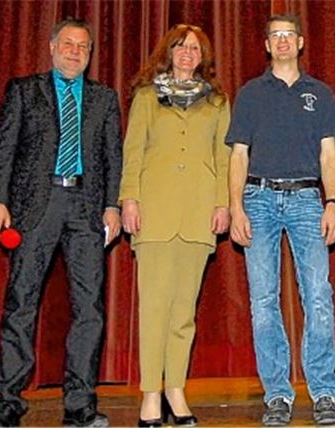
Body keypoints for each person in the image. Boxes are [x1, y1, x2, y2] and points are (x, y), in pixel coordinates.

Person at [0, 17, 122, 428]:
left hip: (86, 206)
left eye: (83, 46)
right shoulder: (24, 90)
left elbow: (113, 157)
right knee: (21, 303)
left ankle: (80, 404)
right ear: (51, 47)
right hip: (34, 206)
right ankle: (8, 401)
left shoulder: (104, 98)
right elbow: (3, 148)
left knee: (89, 308)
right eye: (68, 44)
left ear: (91, 53)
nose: (75, 51)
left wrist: (111, 206)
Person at [225, 13, 335, 427]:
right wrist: (236, 206)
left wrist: (333, 202)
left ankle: (324, 392)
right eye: (274, 36)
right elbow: (238, 154)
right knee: (263, 302)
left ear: (301, 41)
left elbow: (331, 153)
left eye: (288, 35)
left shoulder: (321, 93)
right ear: (266, 45)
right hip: (257, 199)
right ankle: (277, 394)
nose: (281, 42)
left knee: (318, 297)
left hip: (309, 200)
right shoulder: (250, 94)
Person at [120, 23, 231, 427]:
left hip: (199, 213)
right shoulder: (148, 96)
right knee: (154, 309)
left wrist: (223, 204)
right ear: (168, 52)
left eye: (195, 48)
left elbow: (224, 158)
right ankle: (151, 393)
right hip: (154, 213)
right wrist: (128, 198)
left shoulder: (217, 101)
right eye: (180, 46)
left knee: (184, 312)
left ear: (204, 56)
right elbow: (133, 152)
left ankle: (175, 390)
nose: (187, 53)